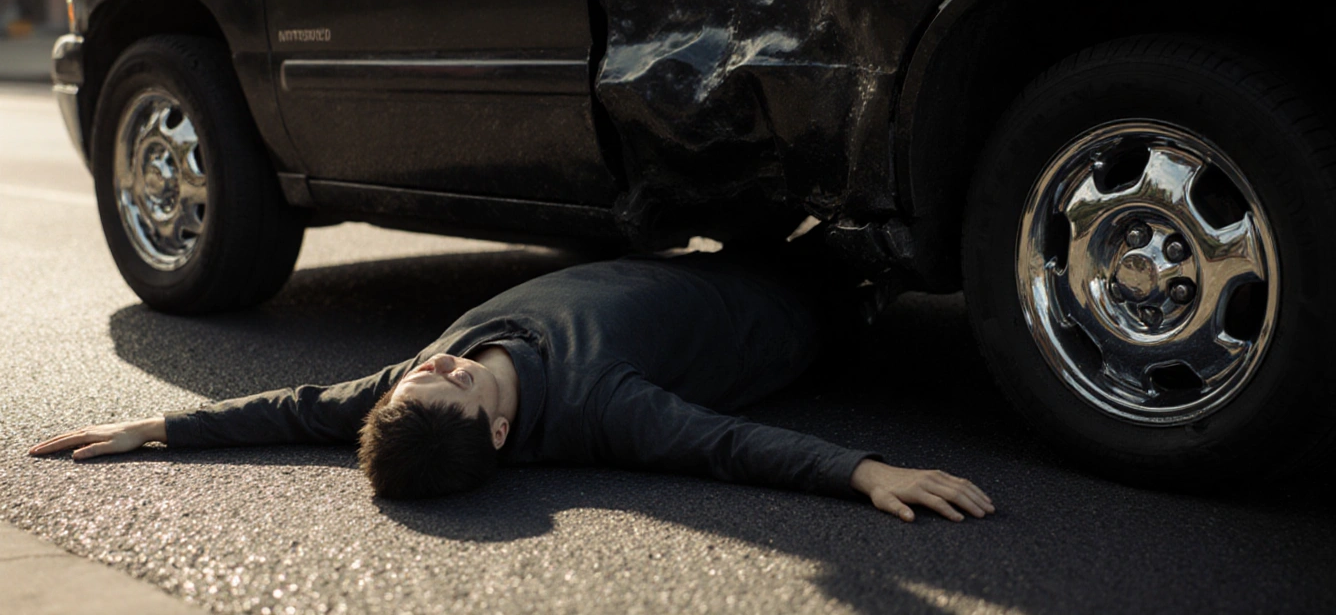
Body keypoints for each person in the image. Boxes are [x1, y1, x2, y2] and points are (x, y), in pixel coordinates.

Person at [29, 251, 994, 523]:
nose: (432, 365)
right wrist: (866, 472)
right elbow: (728, 449)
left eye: (416, 379)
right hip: (791, 300)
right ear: (495, 437)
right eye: (447, 383)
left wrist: (153, 424)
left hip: (679, 248)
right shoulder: (599, 404)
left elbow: (283, 410)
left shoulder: (404, 393)